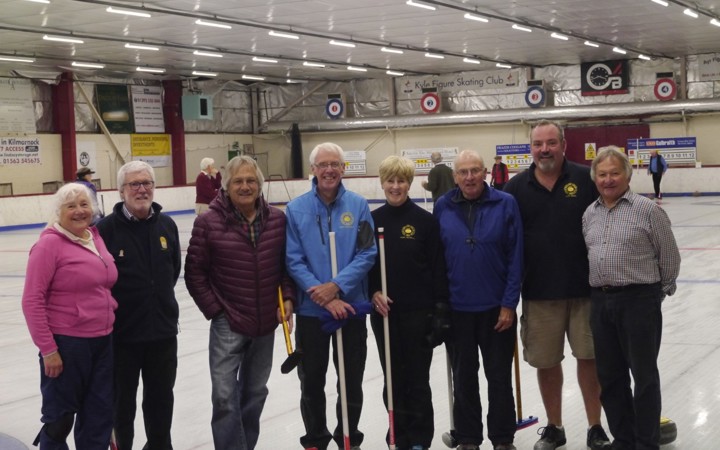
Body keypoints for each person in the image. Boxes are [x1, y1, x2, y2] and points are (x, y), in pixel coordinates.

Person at [503, 120, 611, 450]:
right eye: (538, 144)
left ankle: (595, 427)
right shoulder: (515, 188)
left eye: (551, 142)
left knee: (590, 360)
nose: (545, 149)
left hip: (587, 291)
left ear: (564, 144)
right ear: (530, 148)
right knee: (547, 363)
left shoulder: (585, 179)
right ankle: (555, 427)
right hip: (537, 293)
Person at [184, 155, 296, 450]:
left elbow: (286, 268)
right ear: (226, 186)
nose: (245, 186)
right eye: (238, 181)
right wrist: (217, 312)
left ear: (259, 185)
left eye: (250, 180)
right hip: (228, 323)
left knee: (255, 393)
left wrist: (287, 297)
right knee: (224, 397)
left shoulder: (277, 220)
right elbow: (195, 274)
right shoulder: (208, 222)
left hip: (264, 324)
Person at [583, 146, 681, 450]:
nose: (608, 179)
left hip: (639, 301)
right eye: (602, 174)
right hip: (600, 302)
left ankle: (646, 443)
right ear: (594, 178)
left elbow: (670, 258)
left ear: (627, 175)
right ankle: (623, 440)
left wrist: (655, 294)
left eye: (614, 173)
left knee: (644, 376)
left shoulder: (648, 210)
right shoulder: (589, 213)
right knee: (610, 378)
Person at [285, 142, 377, 450]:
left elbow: (367, 253)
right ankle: (315, 439)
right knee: (311, 381)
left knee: (351, 382)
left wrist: (336, 287)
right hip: (312, 312)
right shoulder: (296, 209)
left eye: (335, 164)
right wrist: (323, 296)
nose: (329, 170)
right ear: (312, 170)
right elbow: (294, 260)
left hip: (350, 309)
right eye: (322, 164)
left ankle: (349, 439)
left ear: (343, 168)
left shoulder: (358, 205)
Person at [433, 149, 523, 450]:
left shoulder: (506, 204)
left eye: (474, 171)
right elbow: (438, 258)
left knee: (498, 379)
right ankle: (469, 437)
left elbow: (516, 258)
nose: (469, 177)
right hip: (458, 311)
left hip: (498, 311)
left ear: (485, 172)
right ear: (455, 176)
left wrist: (509, 304)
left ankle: (502, 438)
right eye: (463, 172)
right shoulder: (442, 206)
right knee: (463, 379)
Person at [22, 183, 118, 449]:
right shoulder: (48, 245)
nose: (79, 211)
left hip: (103, 340)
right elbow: (32, 300)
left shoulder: (94, 237)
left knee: (98, 415)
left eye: (84, 204)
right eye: (71, 206)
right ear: (58, 212)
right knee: (60, 418)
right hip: (67, 344)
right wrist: (48, 349)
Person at [96, 161, 181, 450]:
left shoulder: (167, 225)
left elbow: (172, 271)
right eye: (134, 184)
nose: (142, 189)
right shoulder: (104, 231)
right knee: (121, 406)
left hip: (163, 335)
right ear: (121, 191)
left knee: (160, 402)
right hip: (122, 337)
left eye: (147, 183)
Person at [367, 156, 450, 450]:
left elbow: (438, 267)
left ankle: (419, 438)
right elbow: (364, 267)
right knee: (393, 378)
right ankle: (397, 435)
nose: (396, 186)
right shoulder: (372, 221)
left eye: (401, 181)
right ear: (382, 183)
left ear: (409, 183)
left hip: (418, 313)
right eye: (390, 180)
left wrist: (440, 308)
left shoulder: (425, 222)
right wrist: (372, 292)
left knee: (417, 377)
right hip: (384, 314)